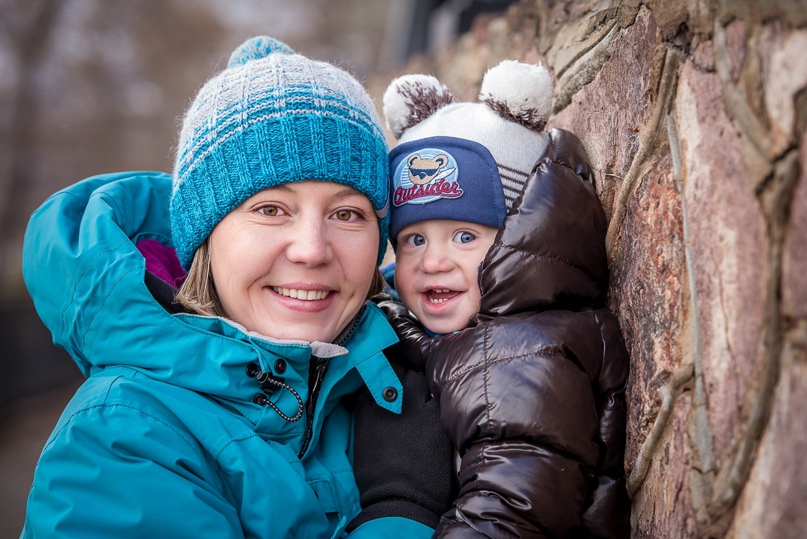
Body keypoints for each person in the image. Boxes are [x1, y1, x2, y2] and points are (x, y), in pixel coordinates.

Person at [20, 36, 454, 538]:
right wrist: (401, 511)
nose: (312, 249)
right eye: (271, 209)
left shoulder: (405, 376)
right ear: (204, 238)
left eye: (347, 213)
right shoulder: (120, 439)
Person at [370, 60, 632, 537]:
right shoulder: (468, 336)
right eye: (414, 240)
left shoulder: (524, 352)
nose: (433, 262)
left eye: (465, 237)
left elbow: (510, 509)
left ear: (521, 236)